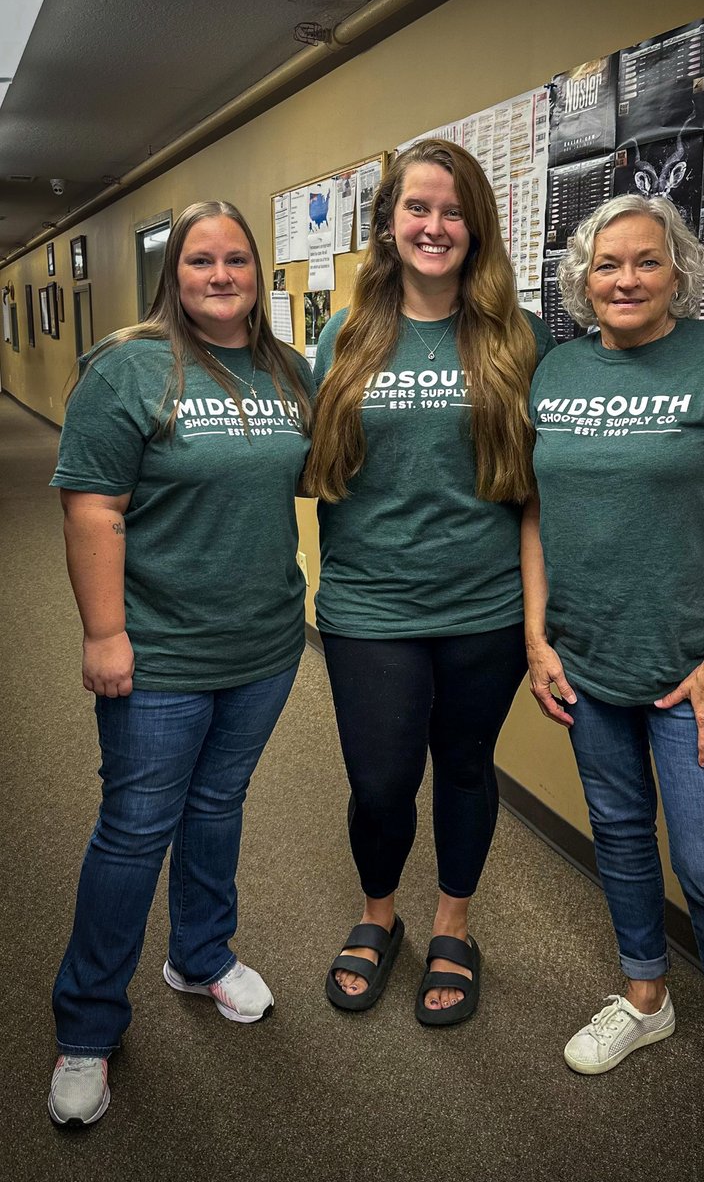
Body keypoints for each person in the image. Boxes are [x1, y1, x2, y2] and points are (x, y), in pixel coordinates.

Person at [521, 194, 704, 1182]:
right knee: (620, 834)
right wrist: (536, 638)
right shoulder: (556, 371)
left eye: (646, 261)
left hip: (693, 672)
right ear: (581, 279)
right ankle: (645, 996)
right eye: (606, 265)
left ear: (678, 271)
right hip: (588, 661)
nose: (625, 279)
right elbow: (534, 512)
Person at [47, 200, 312, 1126]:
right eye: (201, 260)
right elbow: (92, 508)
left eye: (236, 258)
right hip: (157, 650)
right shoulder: (127, 366)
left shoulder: (287, 370)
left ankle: (199, 956)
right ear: (175, 274)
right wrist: (104, 633)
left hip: (264, 645)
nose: (220, 275)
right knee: (133, 828)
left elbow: (311, 475)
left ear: (257, 271)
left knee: (217, 804)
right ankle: (87, 1026)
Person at [304, 139, 555, 1025]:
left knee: (463, 764)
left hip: (484, 605)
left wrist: (540, 621)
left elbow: (543, 484)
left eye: (452, 211)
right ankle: (379, 915)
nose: (434, 226)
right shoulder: (345, 332)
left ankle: (454, 924)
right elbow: (306, 455)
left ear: (475, 227)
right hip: (368, 602)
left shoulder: (517, 337)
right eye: (417, 208)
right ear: (388, 224)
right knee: (379, 782)